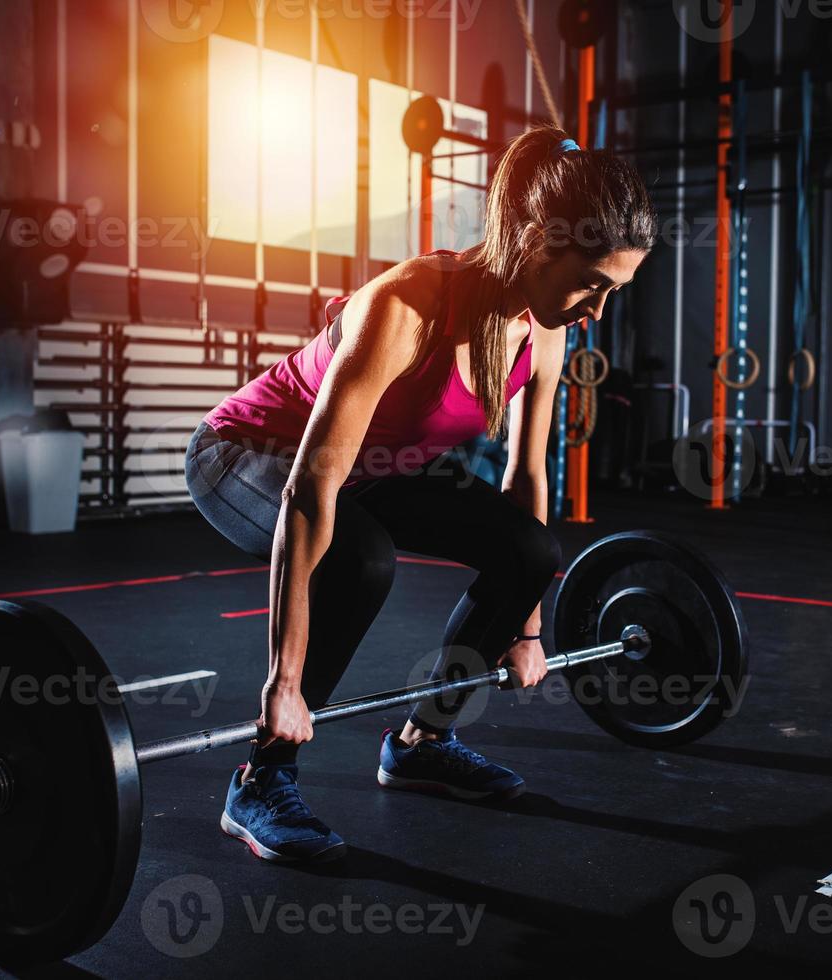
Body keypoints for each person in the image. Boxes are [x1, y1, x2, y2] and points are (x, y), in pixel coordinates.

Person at [184, 126, 655, 862]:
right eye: (593, 284)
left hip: (374, 467)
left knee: (528, 547)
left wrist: (527, 628)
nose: (599, 309)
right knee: (359, 558)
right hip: (247, 455)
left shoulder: (546, 330)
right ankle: (260, 777)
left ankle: (422, 742)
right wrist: (284, 682)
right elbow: (313, 486)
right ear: (536, 244)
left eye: (614, 292)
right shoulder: (405, 306)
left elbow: (525, 480)